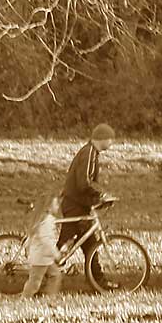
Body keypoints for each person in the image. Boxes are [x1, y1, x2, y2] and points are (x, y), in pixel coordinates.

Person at [58, 123, 116, 290]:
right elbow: (84, 182)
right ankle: (42, 276)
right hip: (74, 205)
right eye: (110, 139)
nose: (111, 143)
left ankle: (99, 283)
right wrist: (102, 194)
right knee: (64, 244)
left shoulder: (91, 152)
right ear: (103, 139)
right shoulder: (89, 153)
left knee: (90, 245)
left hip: (79, 204)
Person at [21, 194, 64, 297]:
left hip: (44, 257)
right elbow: (46, 240)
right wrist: (56, 254)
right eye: (56, 204)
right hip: (41, 258)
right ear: (48, 206)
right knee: (34, 282)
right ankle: (25, 298)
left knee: (56, 276)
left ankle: (50, 297)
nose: (58, 207)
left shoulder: (41, 219)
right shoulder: (47, 220)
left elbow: (32, 237)